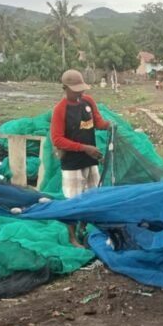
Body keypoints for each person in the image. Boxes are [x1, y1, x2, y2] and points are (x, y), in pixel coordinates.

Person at [50, 69, 111, 247]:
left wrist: (109, 126)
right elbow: (57, 139)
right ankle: (72, 237)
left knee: (91, 196)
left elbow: (98, 123)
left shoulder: (88, 101)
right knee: (73, 201)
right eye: (75, 90)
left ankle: (83, 228)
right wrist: (84, 148)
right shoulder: (60, 109)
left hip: (90, 160)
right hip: (72, 163)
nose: (80, 93)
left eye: (81, 89)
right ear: (65, 88)